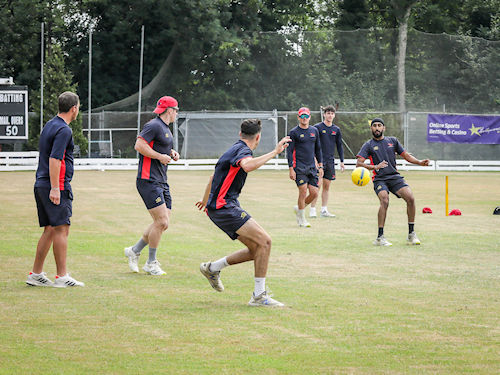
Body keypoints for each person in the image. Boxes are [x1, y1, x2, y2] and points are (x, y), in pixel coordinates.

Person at [196, 119, 290, 307]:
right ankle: (259, 296)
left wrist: (206, 200)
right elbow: (247, 166)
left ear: (240, 134)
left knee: (257, 249)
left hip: (220, 207)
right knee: (266, 241)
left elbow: (213, 176)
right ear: (258, 137)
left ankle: (212, 268)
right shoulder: (243, 151)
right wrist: (275, 152)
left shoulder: (234, 148)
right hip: (225, 208)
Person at [27, 91, 84, 287]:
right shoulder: (64, 130)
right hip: (54, 185)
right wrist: (56, 188)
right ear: (73, 108)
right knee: (62, 228)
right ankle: (62, 276)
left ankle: (35, 274)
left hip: (40, 183)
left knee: (50, 229)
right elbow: (55, 159)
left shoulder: (50, 125)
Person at [124, 96, 180, 275]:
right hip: (148, 180)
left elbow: (159, 147)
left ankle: (134, 250)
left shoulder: (165, 129)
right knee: (161, 221)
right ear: (170, 110)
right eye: (176, 110)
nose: (177, 113)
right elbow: (139, 145)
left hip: (161, 180)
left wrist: (170, 153)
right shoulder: (153, 125)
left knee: (163, 223)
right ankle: (151, 263)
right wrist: (159, 156)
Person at [356, 118, 430, 246]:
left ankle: (411, 234)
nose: (377, 128)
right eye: (374, 126)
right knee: (384, 200)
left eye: (379, 125)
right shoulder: (368, 145)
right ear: (371, 129)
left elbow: (406, 155)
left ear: (384, 128)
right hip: (379, 179)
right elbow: (359, 163)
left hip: (394, 177)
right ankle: (380, 237)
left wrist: (419, 162)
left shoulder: (392, 141)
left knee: (410, 198)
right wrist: (375, 167)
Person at [287, 107, 323, 227]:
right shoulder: (294, 132)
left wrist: (320, 165)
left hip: (312, 167)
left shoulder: (314, 131)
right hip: (299, 167)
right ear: (298, 117)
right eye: (302, 116)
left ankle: (299, 208)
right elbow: (290, 151)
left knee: (314, 193)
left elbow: (318, 149)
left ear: (309, 117)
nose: (304, 118)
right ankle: (301, 219)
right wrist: (291, 168)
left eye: (306, 116)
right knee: (302, 191)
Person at [310, 105, 345, 218]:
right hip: (319, 161)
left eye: (332, 113)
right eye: (328, 113)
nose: (330, 115)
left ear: (334, 115)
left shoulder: (336, 130)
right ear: (324, 114)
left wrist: (342, 161)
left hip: (330, 161)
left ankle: (324, 210)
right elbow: (312, 145)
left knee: (326, 186)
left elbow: (339, 146)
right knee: (317, 185)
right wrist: (315, 159)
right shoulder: (317, 128)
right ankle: (312, 209)